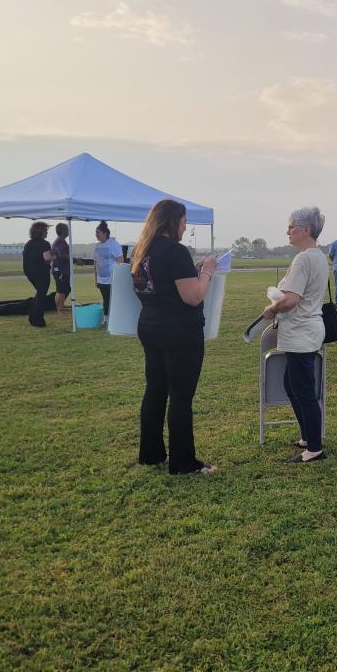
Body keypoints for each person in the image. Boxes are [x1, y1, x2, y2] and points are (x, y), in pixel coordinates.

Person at [131, 200, 218, 475]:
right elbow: (193, 297)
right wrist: (206, 271)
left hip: (150, 325)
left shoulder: (142, 251)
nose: (184, 226)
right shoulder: (175, 251)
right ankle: (183, 462)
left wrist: (192, 267)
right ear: (172, 222)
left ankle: (151, 453)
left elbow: (165, 280)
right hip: (180, 331)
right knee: (181, 396)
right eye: (183, 221)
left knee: (155, 389)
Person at [263, 207, 332, 461]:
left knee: (302, 389)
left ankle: (314, 448)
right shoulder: (317, 256)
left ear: (305, 229)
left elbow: (291, 300)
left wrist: (271, 309)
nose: (288, 231)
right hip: (307, 330)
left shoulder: (303, 259)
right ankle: (307, 435)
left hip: (301, 331)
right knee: (292, 385)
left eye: (291, 227)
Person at [22, 221, 53, 328]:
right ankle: (37, 320)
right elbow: (47, 259)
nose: (47, 233)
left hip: (30, 273)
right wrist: (55, 256)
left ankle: (32, 316)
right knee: (41, 295)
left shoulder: (28, 244)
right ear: (41, 232)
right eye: (46, 231)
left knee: (39, 294)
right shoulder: (45, 244)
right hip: (41, 272)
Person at [92, 220, 124, 320]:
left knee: (112, 299)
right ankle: (106, 318)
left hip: (112, 279)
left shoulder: (114, 244)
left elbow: (120, 260)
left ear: (105, 233)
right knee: (105, 299)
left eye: (98, 233)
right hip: (101, 279)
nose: (96, 235)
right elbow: (95, 263)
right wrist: (95, 279)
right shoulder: (97, 246)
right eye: (96, 233)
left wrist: (117, 277)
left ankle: (114, 319)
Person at [50, 223, 71, 314]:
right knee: (61, 290)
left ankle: (60, 305)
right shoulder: (60, 242)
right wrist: (73, 259)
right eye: (67, 229)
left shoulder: (60, 241)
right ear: (62, 231)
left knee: (62, 289)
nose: (68, 231)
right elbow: (62, 255)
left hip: (61, 269)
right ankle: (59, 310)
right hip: (60, 270)